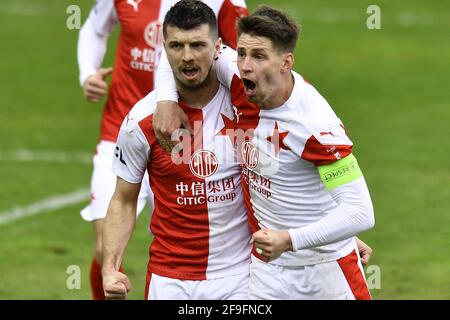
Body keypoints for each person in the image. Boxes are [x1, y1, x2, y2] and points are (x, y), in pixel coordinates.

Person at [153, 6, 375, 299]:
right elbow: (178, 54)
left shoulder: (314, 125)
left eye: (259, 56)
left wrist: (290, 239)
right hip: (266, 273)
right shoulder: (238, 75)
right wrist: (166, 100)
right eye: (242, 52)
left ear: (286, 62)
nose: (245, 65)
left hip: (325, 272)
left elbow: (360, 212)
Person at [77, 0, 248, 299]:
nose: (187, 54)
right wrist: (87, 73)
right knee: (106, 249)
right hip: (125, 129)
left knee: (188, 233)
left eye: (197, 45)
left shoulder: (222, 4)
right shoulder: (138, 119)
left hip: (199, 130)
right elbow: (94, 27)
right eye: (176, 46)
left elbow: (242, 56)